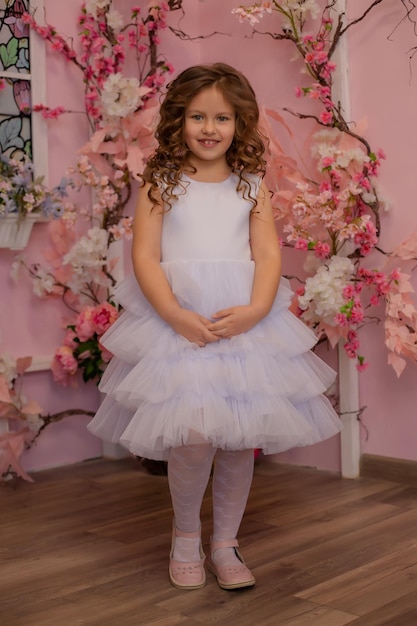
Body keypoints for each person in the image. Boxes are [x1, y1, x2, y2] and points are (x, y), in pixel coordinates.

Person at [88, 62, 341, 591]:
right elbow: (145, 258)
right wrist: (176, 315)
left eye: (222, 118)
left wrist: (254, 309)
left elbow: (268, 254)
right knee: (195, 436)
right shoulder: (160, 182)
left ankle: (226, 543)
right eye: (197, 116)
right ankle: (185, 536)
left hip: (241, 324)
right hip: (181, 322)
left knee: (235, 438)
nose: (209, 128)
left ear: (239, 123)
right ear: (178, 120)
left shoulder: (250, 185)